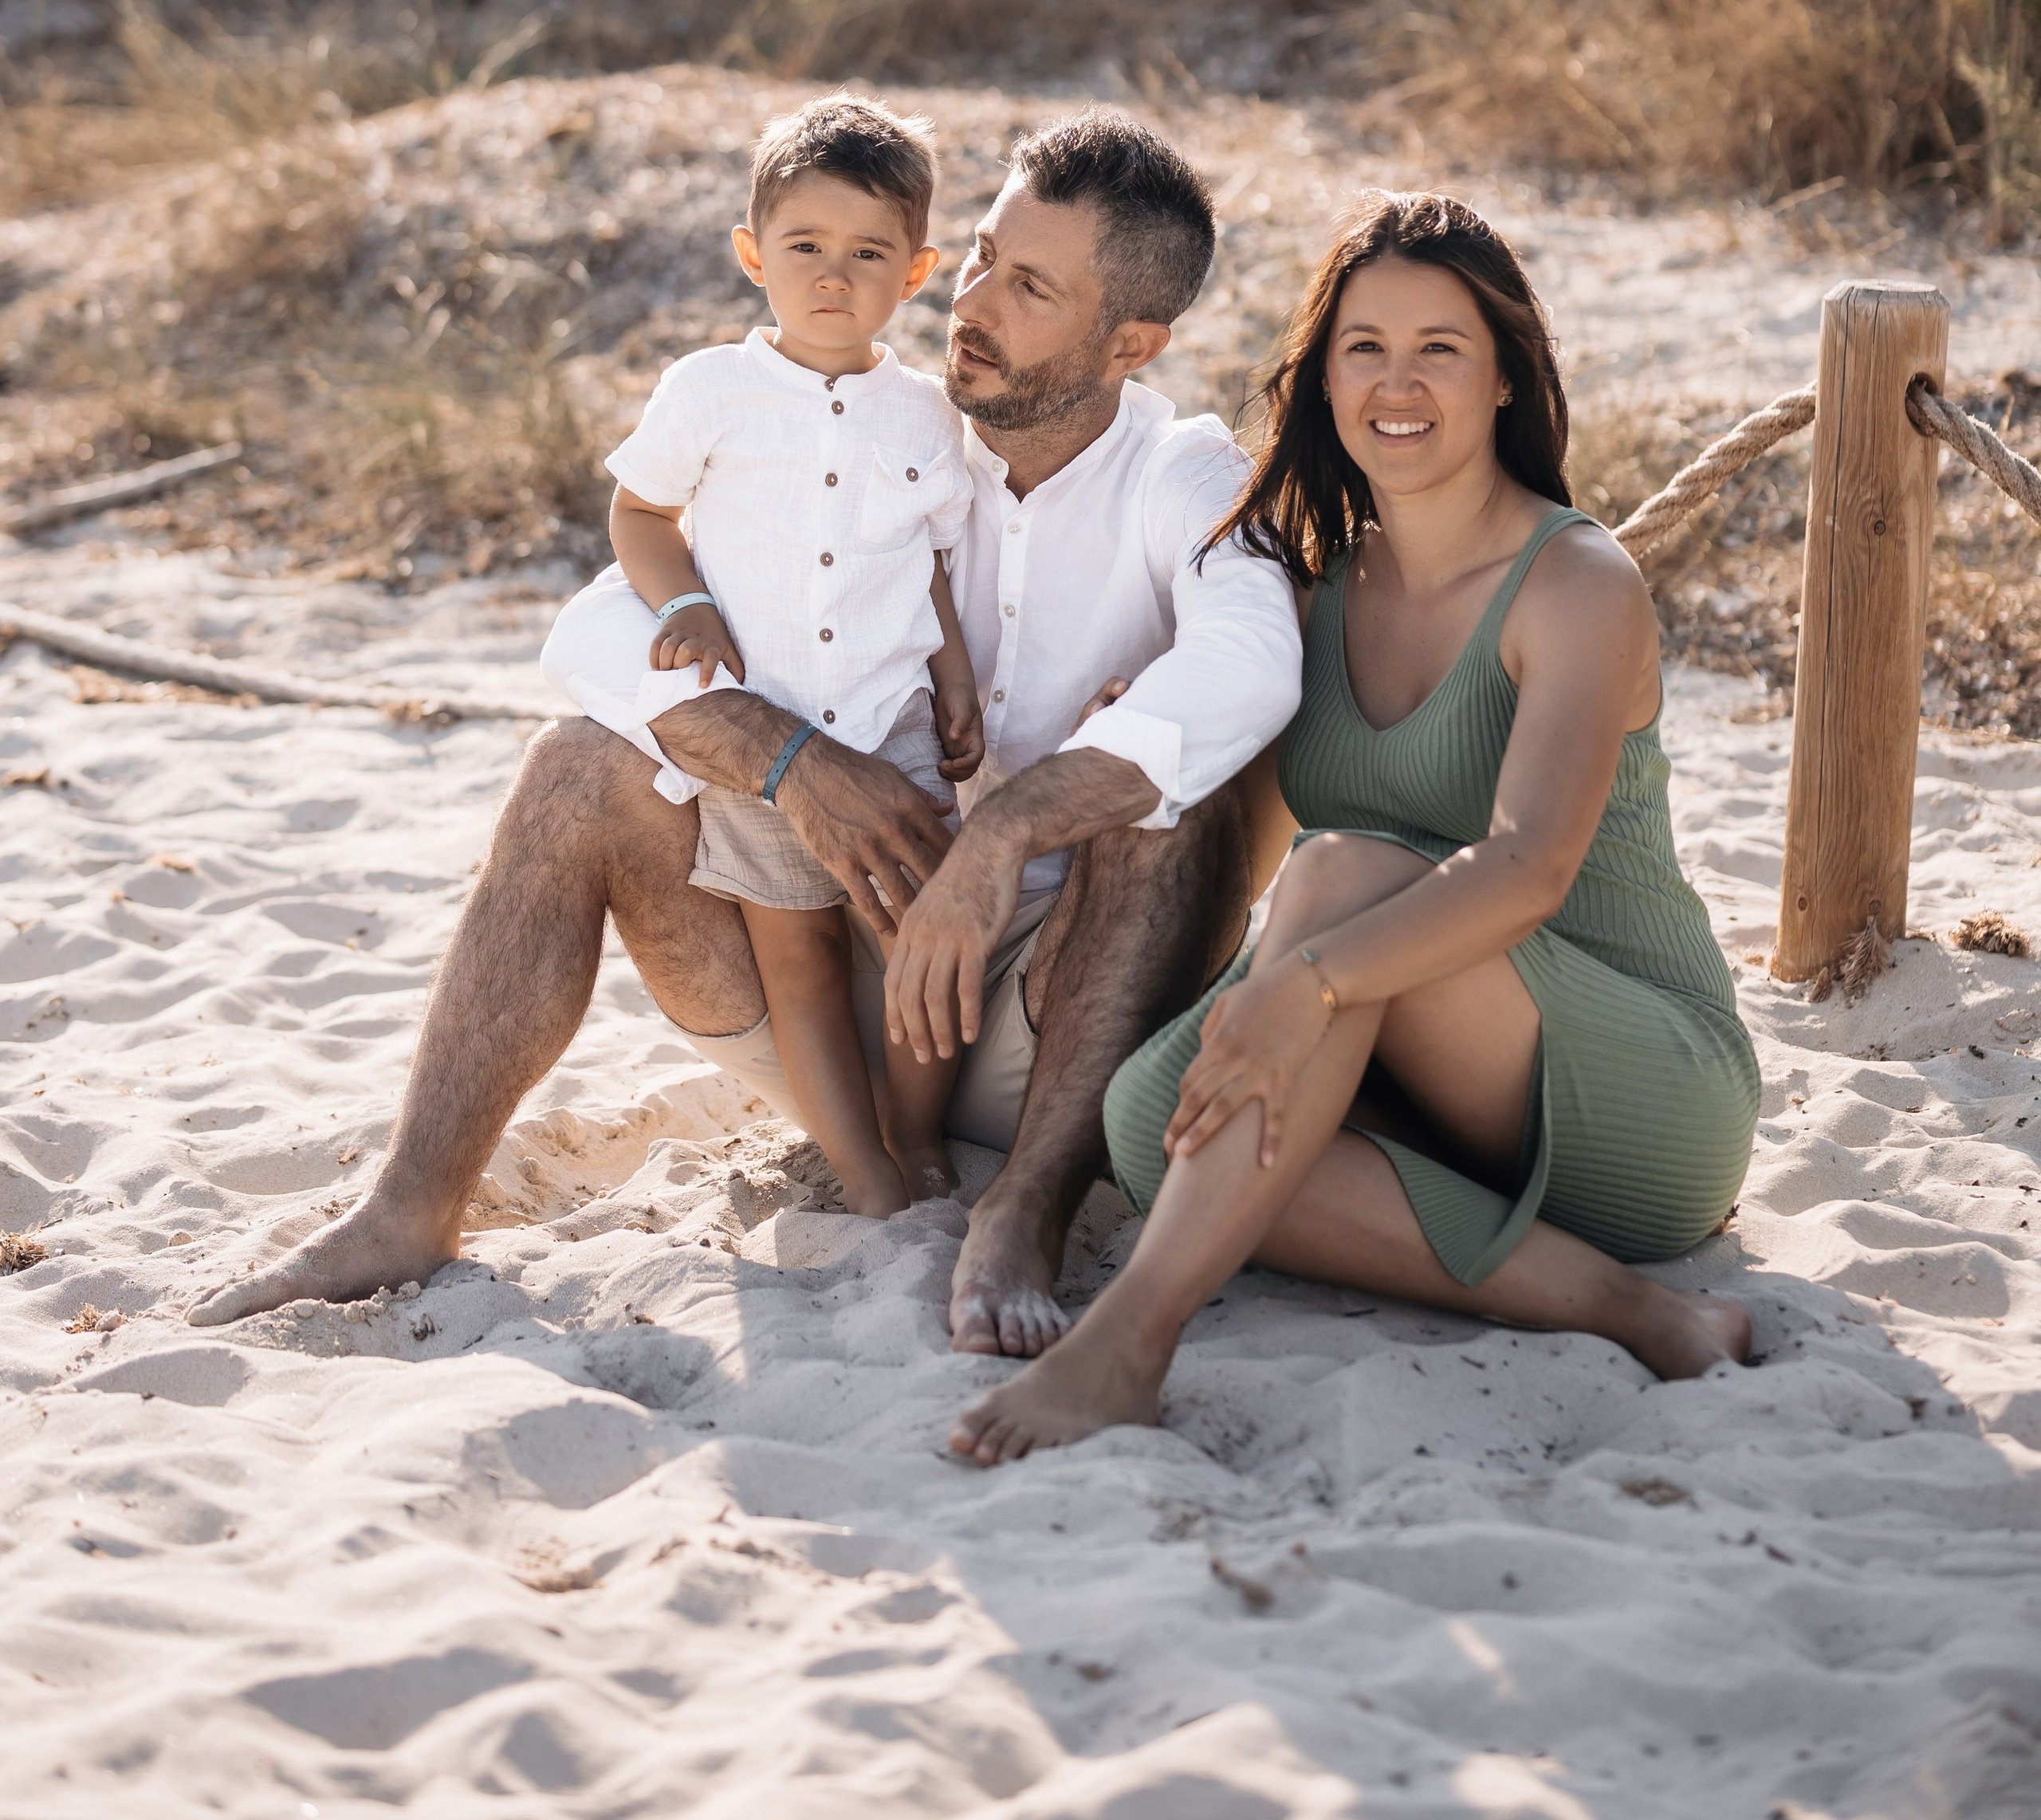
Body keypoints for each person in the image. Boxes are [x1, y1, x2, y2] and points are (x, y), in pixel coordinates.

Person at [190, 110, 1304, 1356]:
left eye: (1029, 285)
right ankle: (407, 1209)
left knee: (1176, 795)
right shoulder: (874, 427)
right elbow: (601, 630)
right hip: (824, 978)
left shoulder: (1184, 474)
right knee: (574, 768)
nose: (973, 301)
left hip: (1058, 1019)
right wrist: (787, 757)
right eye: (982, 254)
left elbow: (1253, 661)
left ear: (1131, 341)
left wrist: (1010, 826)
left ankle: (1026, 1214)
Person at [949, 191, 1762, 1464]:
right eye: (1363, 347)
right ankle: (1628, 1307)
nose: (1398, 380)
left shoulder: (1578, 583)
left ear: (1504, 378)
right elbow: (1246, 844)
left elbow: (1532, 868)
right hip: (1438, 1101)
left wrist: (1305, 985)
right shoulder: (1320, 597)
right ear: (1323, 377)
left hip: (1639, 1086)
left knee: (1341, 880)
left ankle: (1127, 1343)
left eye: (1440, 348)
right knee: (1156, 1118)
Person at [591, 93, 985, 1217]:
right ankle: (861, 1168)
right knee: (798, 965)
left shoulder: (924, 414)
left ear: (914, 274)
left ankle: (915, 1138)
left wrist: (953, 675)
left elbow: (935, 568)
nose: (832, 275)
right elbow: (640, 514)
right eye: (805, 246)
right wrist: (690, 604)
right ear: (752, 254)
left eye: (868, 253)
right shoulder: (710, 389)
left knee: (924, 939)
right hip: (765, 727)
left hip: (892, 729)